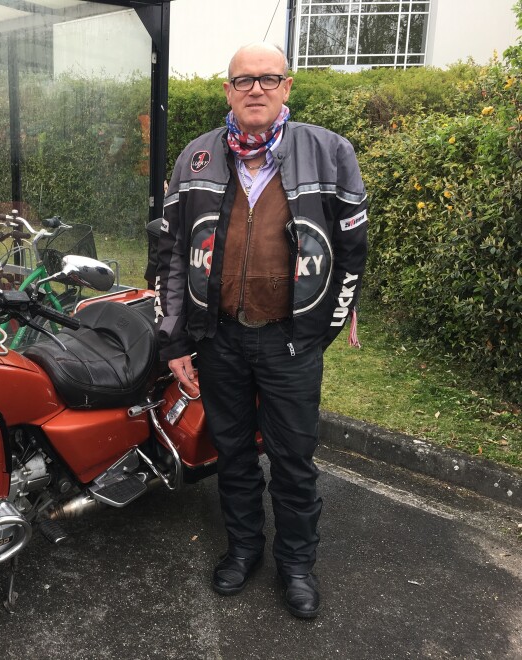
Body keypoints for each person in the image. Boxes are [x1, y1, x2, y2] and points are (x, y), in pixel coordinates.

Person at [154, 42, 368, 619]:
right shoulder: (196, 158)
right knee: (233, 455)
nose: (256, 89)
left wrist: (323, 325)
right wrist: (174, 339)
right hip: (217, 337)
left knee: (294, 459)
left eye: (269, 79)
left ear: (287, 87)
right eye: (244, 80)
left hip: (290, 340)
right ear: (227, 90)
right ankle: (244, 549)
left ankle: (297, 565)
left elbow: (351, 251)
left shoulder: (328, 152)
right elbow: (172, 254)